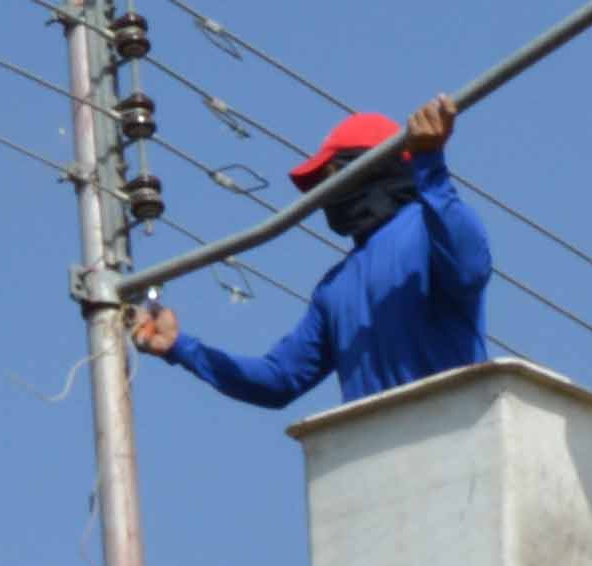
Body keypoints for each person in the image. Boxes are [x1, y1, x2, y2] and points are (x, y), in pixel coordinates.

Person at [127, 97, 487, 416]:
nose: (324, 197)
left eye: (329, 178)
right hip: (384, 469)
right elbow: (278, 380)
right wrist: (179, 346)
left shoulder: (431, 228)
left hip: (455, 447)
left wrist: (431, 165)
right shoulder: (335, 287)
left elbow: (470, 267)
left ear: (369, 168)